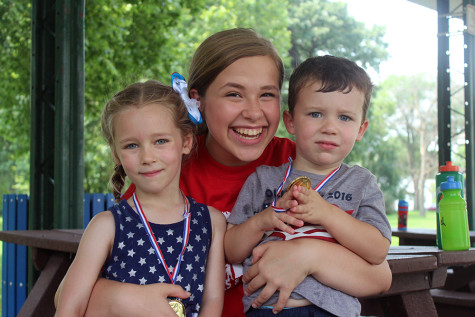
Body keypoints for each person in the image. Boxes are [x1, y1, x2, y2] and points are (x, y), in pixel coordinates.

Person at [57, 28, 392, 317]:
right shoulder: (166, 171)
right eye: (234, 94)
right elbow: (74, 292)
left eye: (267, 95)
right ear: (197, 100)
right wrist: (118, 296)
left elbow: (379, 276)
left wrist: (310, 255)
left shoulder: (301, 164)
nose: (252, 112)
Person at [224, 55, 392, 316]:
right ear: (290, 121)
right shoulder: (263, 179)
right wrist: (262, 221)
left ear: (361, 128)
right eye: (316, 114)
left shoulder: (361, 183)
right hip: (266, 310)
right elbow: (231, 251)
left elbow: (377, 250)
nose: (329, 127)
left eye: (345, 118)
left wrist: (326, 213)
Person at [54, 80, 226, 317]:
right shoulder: (106, 226)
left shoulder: (212, 221)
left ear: (186, 141)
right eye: (132, 145)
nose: (147, 156)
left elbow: (212, 303)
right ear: (116, 154)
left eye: (160, 141)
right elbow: (69, 308)